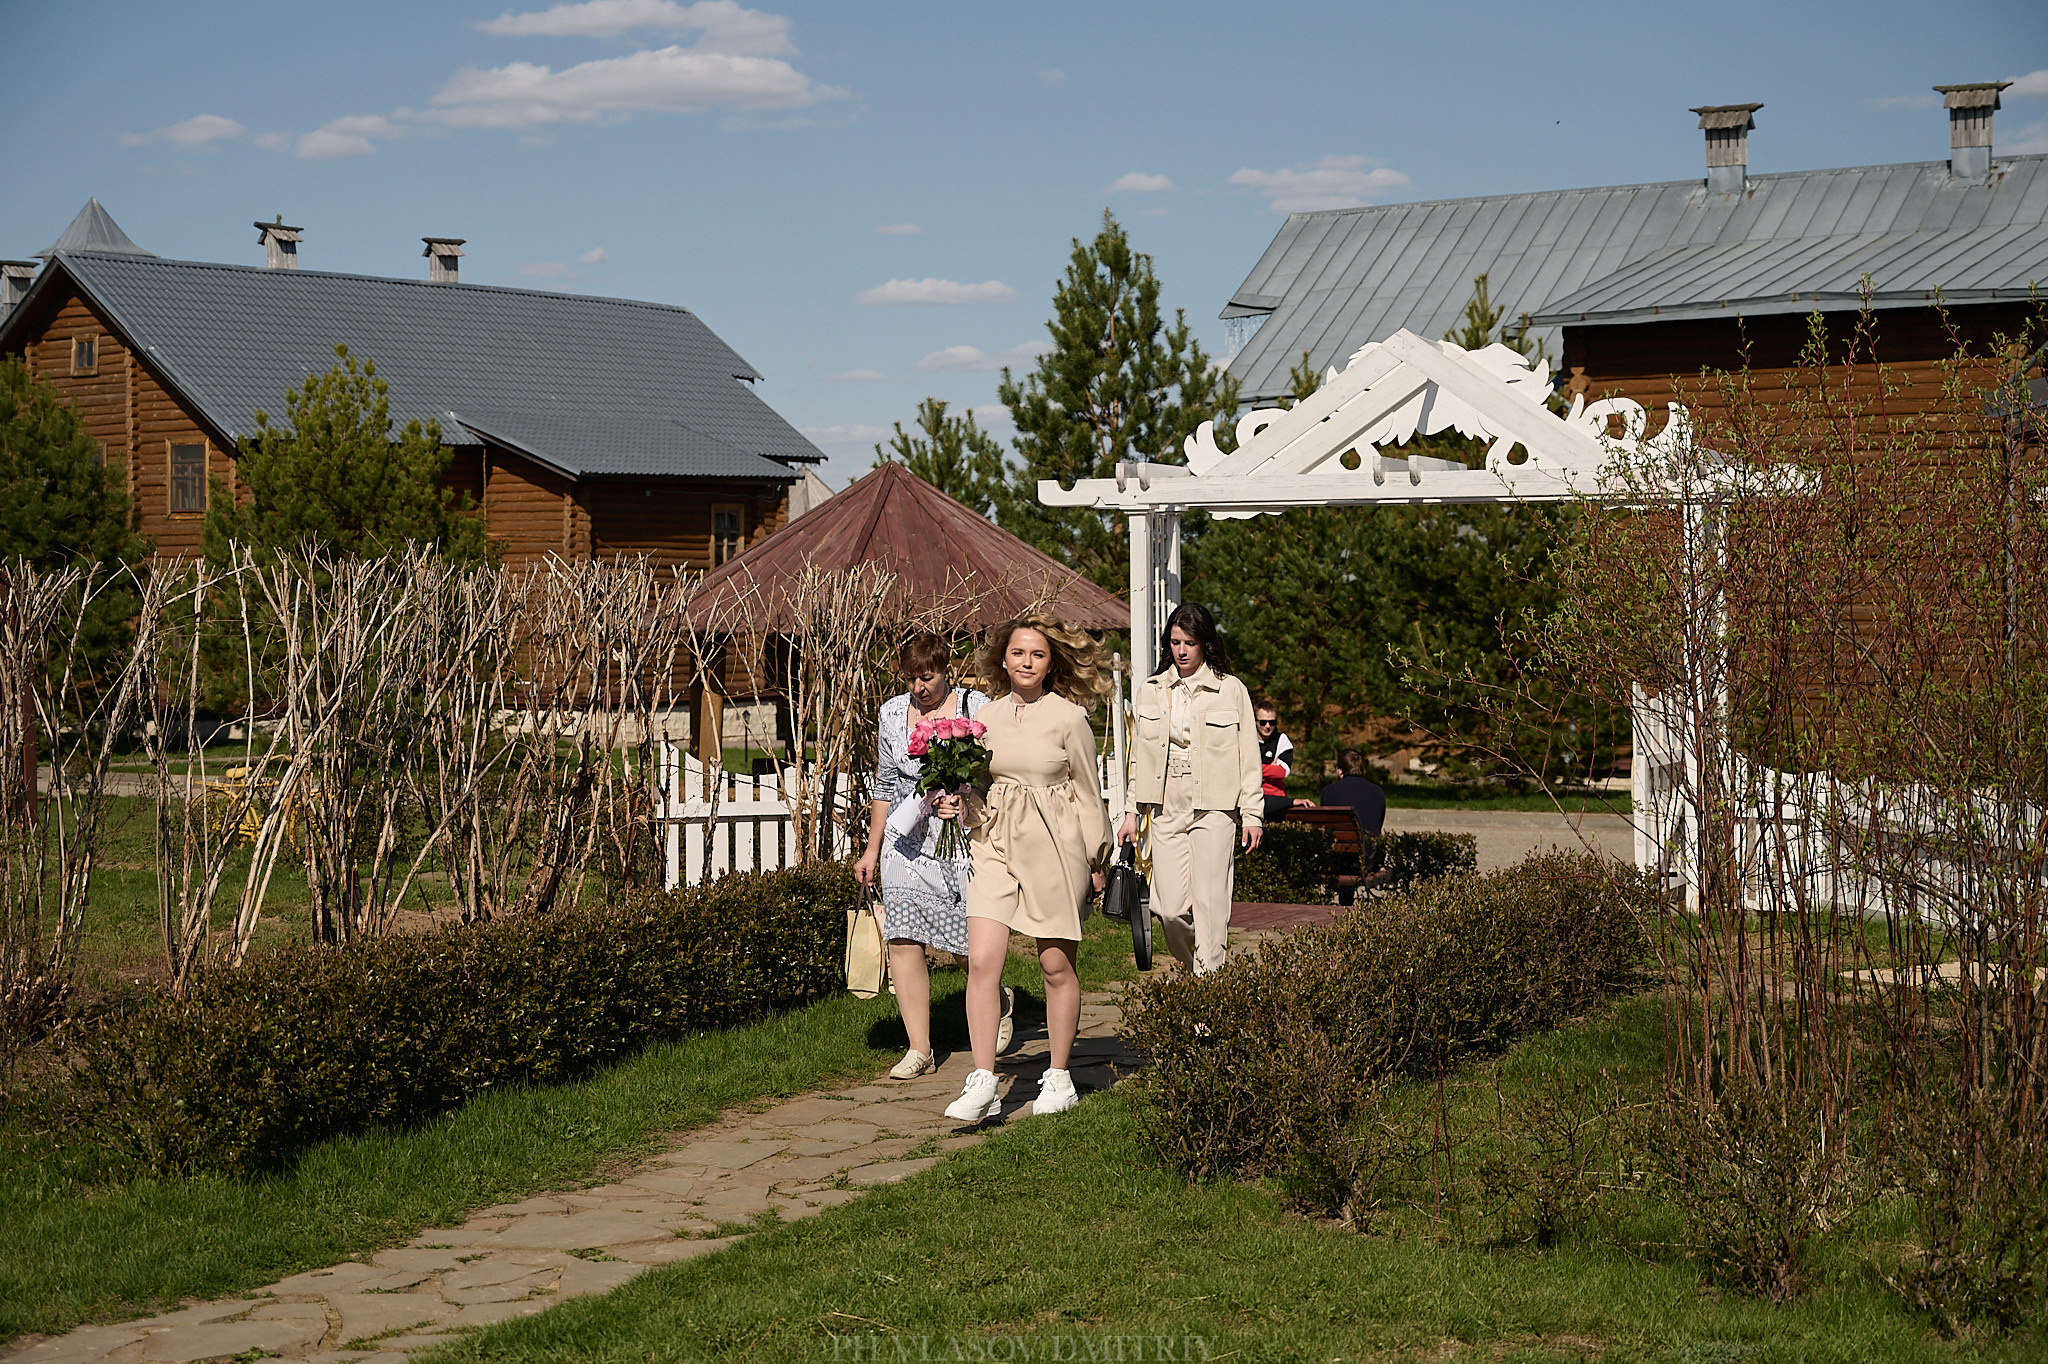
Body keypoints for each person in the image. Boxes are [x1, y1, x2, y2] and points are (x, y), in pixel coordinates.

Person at [943, 613, 1112, 1124]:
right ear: (1003, 658)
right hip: (993, 841)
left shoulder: (1069, 718)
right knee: (982, 961)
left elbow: (1087, 790)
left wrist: (1096, 857)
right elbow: (973, 782)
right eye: (1018, 652)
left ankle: (1059, 1077)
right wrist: (954, 800)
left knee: (1054, 966)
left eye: (1037, 654)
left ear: (1051, 661)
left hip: (1056, 847)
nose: (1026, 662)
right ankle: (984, 1079)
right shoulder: (984, 718)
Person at [854, 633, 1013, 1080]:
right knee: (903, 938)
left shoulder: (973, 706)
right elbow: (886, 784)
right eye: (911, 679)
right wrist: (872, 848)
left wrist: (967, 799)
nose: (919, 688)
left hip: (959, 835)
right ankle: (919, 1048)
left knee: (968, 940)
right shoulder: (891, 714)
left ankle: (998, 999)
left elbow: (994, 771)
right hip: (906, 838)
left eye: (928, 677)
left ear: (946, 671)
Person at [1116, 602, 1264, 977]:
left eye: (1190, 643)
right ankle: (1202, 970)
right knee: (1168, 909)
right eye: (1175, 642)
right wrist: (1132, 811)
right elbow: (1140, 758)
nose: (1181, 651)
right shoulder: (1151, 690)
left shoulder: (1230, 691)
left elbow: (1249, 758)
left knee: (1211, 905)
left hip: (1215, 805)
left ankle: (1207, 995)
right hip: (1166, 805)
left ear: (1205, 644)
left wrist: (1253, 815)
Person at [1319, 748, 1388, 859]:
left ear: (1340, 770)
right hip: (1369, 859)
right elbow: (1377, 826)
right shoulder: (1378, 792)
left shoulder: (1328, 792)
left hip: (1337, 859)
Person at [1255, 702, 1297, 824]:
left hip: (1276, 799)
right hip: (1252, 798)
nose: (1267, 726)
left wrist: (1255, 769)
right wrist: (1270, 768)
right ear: (1255, 721)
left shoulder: (1282, 740)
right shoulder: (1247, 739)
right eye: (1263, 722)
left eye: (1272, 722)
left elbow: (1283, 772)